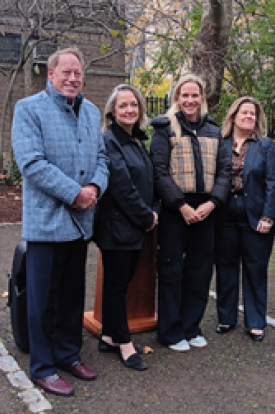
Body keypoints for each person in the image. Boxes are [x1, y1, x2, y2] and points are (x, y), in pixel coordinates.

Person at [11, 47, 109, 397]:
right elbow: (32, 164)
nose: (72, 78)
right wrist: (75, 193)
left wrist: (96, 186)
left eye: (78, 73)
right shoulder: (29, 109)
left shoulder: (92, 111)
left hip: (80, 224)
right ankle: (42, 366)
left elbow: (101, 158)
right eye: (65, 72)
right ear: (50, 74)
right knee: (42, 301)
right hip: (47, 224)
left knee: (71, 297)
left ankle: (68, 353)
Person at [150, 74, 231, 352]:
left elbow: (225, 172)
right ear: (177, 98)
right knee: (172, 270)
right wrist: (181, 206)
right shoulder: (164, 129)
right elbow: (158, 172)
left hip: (206, 209)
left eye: (195, 95)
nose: (190, 100)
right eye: (184, 95)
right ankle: (170, 331)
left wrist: (212, 203)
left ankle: (191, 326)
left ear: (202, 99)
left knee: (199, 270)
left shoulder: (213, 129)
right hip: (176, 209)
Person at [94, 84, 158, 371]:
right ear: (112, 111)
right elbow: (122, 186)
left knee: (119, 283)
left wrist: (153, 212)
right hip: (117, 227)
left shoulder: (136, 140)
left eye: (134, 104)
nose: (130, 109)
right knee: (118, 286)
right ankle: (125, 344)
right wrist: (147, 217)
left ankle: (108, 335)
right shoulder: (110, 141)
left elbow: (149, 182)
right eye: (123, 106)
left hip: (135, 226)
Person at [214, 97, 275, 341]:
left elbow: (273, 182)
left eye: (253, 114)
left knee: (255, 268)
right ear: (233, 116)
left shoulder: (265, 146)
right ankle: (226, 317)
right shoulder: (220, 144)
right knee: (226, 267)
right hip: (225, 213)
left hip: (255, 214)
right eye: (244, 113)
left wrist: (269, 216)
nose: (249, 117)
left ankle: (255, 321)